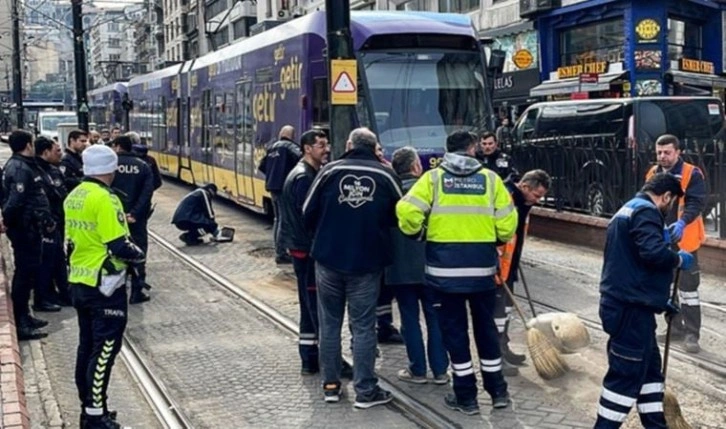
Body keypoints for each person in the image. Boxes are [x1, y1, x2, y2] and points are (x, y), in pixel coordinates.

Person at [397, 130, 518, 415]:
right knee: (486, 331)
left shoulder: (433, 179)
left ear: (447, 150)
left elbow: (406, 213)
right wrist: (494, 238)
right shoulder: (490, 180)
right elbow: (507, 224)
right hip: (482, 273)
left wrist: (419, 233)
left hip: (444, 274)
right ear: (473, 149)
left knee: (455, 334)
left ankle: (466, 397)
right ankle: (498, 391)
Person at [303, 127, 402, 408]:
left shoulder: (329, 171)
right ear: (374, 148)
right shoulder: (386, 175)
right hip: (366, 263)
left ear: (349, 144)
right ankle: (365, 390)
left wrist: (325, 236)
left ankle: (331, 385)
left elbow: (307, 211)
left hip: (328, 259)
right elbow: (401, 214)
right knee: (363, 327)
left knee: (330, 324)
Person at [595, 173, 694, 428]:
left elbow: (632, 268)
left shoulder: (628, 210)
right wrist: (678, 259)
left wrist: (660, 302)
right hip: (630, 311)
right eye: (670, 205)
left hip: (633, 307)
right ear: (667, 196)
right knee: (624, 378)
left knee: (650, 375)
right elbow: (651, 253)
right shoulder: (646, 211)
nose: (668, 210)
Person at [64, 144, 146, 429]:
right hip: (105, 286)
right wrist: (138, 254)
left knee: (86, 347)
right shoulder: (106, 200)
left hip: (79, 281)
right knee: (105, 350)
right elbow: (119, 245)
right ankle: (96, 416)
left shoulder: (74, 195)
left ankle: (89, 409)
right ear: (110, 170)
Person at [385, 146, 449, 385]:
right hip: (431, 266)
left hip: (399, 267)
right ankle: (441, 370)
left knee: (408, 318)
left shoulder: (389, 191)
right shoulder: (430, 190)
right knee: (435, 317)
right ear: (416, 167)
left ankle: (417, 369)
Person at [646, 134, 706, 354]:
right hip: (662, 240)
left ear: (678, 152)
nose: (662, 156)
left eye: (667, 152)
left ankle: (692, 333)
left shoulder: (692, 173)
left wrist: (682, 222)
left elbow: (697, 202)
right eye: (659, 152)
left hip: (686, 241)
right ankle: (675, 327)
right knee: (667, 287)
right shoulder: (653, 173)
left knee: (689, 289)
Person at [278, 129, 330, 374]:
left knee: (309, 306)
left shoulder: (304, 173)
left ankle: (310, 357)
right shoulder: (304, 177)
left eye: (326, 144)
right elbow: (308, 215)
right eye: (320, 145)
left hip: (301, 247)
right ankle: (323, 358)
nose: (326, 148)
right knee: (314, 306)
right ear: (307, 148)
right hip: (307, 250)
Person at [493, 169, 551, 376]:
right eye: (536, 195)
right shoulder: (505, 198)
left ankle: (504, 348)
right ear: (524, 186)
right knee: (497, 315)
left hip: (511, 265)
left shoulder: (524, 203)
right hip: (497, 267)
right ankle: (495, 357)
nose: (538, 200)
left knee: (507, 311)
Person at [1, 130, 55, 340]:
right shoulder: (20, 168)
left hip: (31, 227)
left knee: (30, 271)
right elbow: (16, 200)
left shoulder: (21, 165)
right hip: (25, 229)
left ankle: (25, 315)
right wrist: (6, 220)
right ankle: (21, 320)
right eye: (32, 143)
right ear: (27, 145)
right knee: (24, 274)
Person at [110, 135, 154, 304]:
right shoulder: (143, 166)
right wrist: (134, 214)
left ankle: (115, 290)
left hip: (114, 218)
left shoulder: (110, 165)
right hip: (137, 219)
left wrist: (119, 214)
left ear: (117, 146)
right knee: (138, 252)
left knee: (114, 252)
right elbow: (147, 193)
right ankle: (137, 291)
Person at [35, 136, 71, 308]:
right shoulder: (33, 170)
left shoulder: (54, 170)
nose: (60, 154)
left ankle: (62, 293)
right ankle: (43, 297)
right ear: (46, 152)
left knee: (58, 259)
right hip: (44, 225)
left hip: (58, 221)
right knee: (45, 262)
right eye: (57, 150)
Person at [373, 141, 403, 344]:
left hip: (384, 240)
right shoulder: (383, 174)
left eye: (381, 149)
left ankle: (384, 324)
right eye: (377, 150)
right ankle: (380, 326)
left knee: (384, 290)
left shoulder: (386, 170)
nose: (381, 153)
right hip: (378, 239)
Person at [258, 125, 300, 264]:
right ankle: (281, 253)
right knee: (284, 219)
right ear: (292, 136)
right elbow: (302, 159)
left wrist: (273, 175)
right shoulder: (290, 147)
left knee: (278, 219)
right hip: (284, 188)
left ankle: (279, 249)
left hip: (272, 187)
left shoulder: (272, 147)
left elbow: (262, 166)